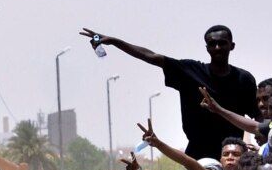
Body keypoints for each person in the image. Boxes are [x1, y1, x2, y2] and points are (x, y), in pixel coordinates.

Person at [83, 25, 258, 160]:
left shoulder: (244, 80)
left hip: (234, 155)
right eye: (213, 44)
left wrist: (263, 146)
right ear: (207, 48)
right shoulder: (190, 71)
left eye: (222, 43)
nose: (218, 47)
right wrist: (114, 41)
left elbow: (259, 119)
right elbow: (151, 56)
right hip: (198, 156)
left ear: (232, 46)